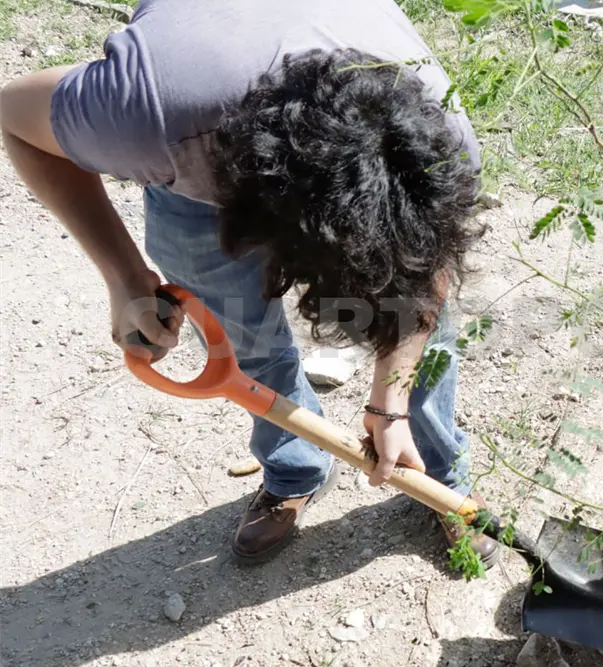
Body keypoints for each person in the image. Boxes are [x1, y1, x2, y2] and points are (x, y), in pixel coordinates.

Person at [0, 0, 499, 567]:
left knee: (413, 327)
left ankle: (441, 472)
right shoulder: (147, 116)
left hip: (254, 120)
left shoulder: (434, 143)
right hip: (203, 133)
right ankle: (295, 467)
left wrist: (391, 402)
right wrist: (124, 276)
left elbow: (422, 274)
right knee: (242, 331)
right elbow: (16, 115)